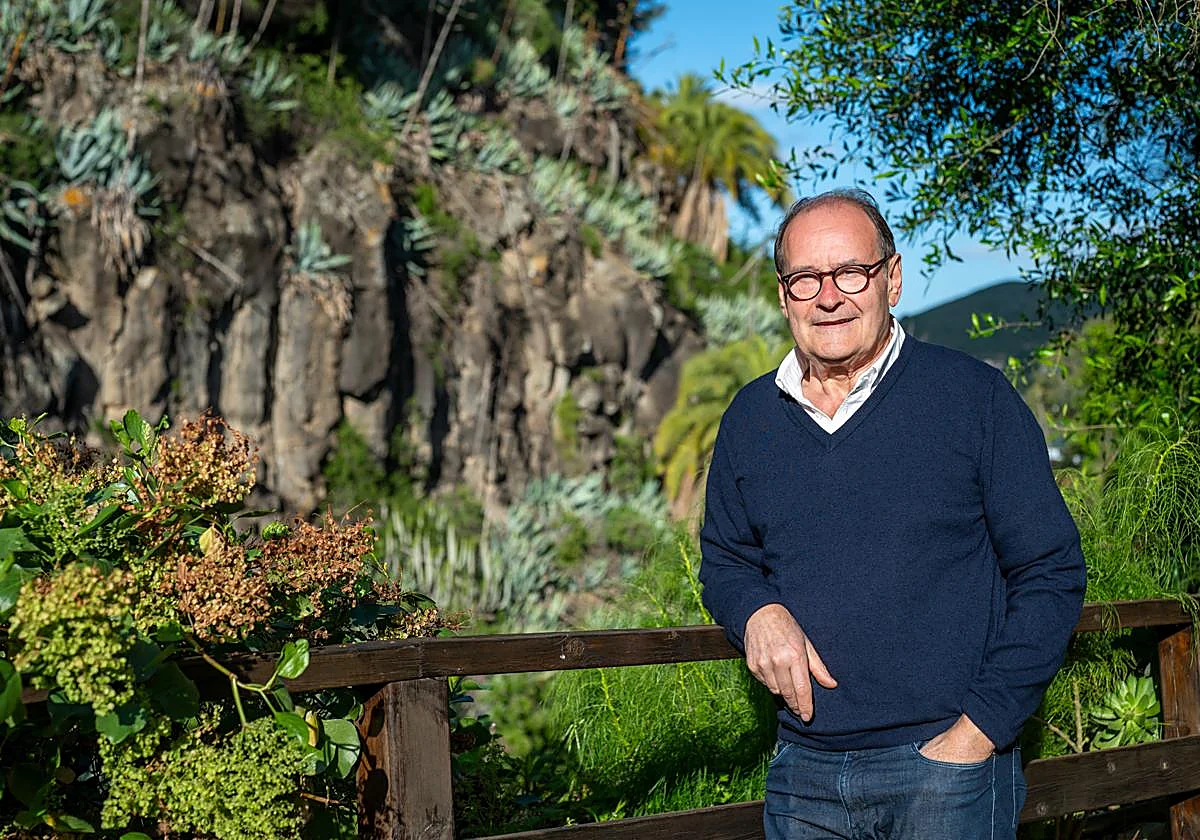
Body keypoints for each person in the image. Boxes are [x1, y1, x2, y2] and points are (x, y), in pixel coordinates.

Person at [698, 189, 1086, 839]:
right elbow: (728, 559)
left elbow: (1050, 571)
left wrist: (978, 733)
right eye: (805, 279)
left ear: (892, 279)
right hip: (803, 777)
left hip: (947, 771)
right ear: (782, 294)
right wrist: (756, 612)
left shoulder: (974, 399)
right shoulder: (751, 418)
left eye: (852, 272)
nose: (829, 296)